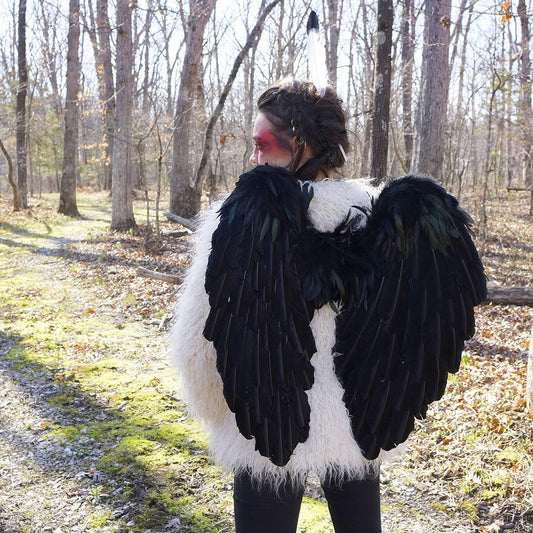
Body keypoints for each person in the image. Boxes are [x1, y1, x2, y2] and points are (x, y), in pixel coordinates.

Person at [171, 79, 486, 532]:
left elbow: (198, 349)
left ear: (299, 142)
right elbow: (413, 334)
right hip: (361, 420)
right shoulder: (383, 217)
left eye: (262, 144)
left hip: (264, 418)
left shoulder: (239, 220)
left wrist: (218, 413)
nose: (254, 157)